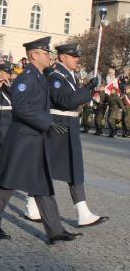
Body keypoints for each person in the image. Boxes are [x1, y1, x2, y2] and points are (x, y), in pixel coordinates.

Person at [0, 36, 83, 244]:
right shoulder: (26, 77)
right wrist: (47, 121)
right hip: (22, 139)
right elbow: (21, 108)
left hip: (36, 137)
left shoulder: (39, 76)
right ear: (34, 55)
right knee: (7, 182)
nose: (49, 56)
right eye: (46, 53)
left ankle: (55, 230)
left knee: (43, 183)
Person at [25, 43, 108, 227]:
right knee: (48, 167)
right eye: (74, 56)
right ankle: (31, 203)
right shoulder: (55, 77)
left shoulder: (70, 76)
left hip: (70, 126)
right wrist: (87, 90)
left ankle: (82, 211)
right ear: (63, 58)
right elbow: (65, 101)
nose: (77, 59)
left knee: (74, 168)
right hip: (58, 126)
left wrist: (87, 89)